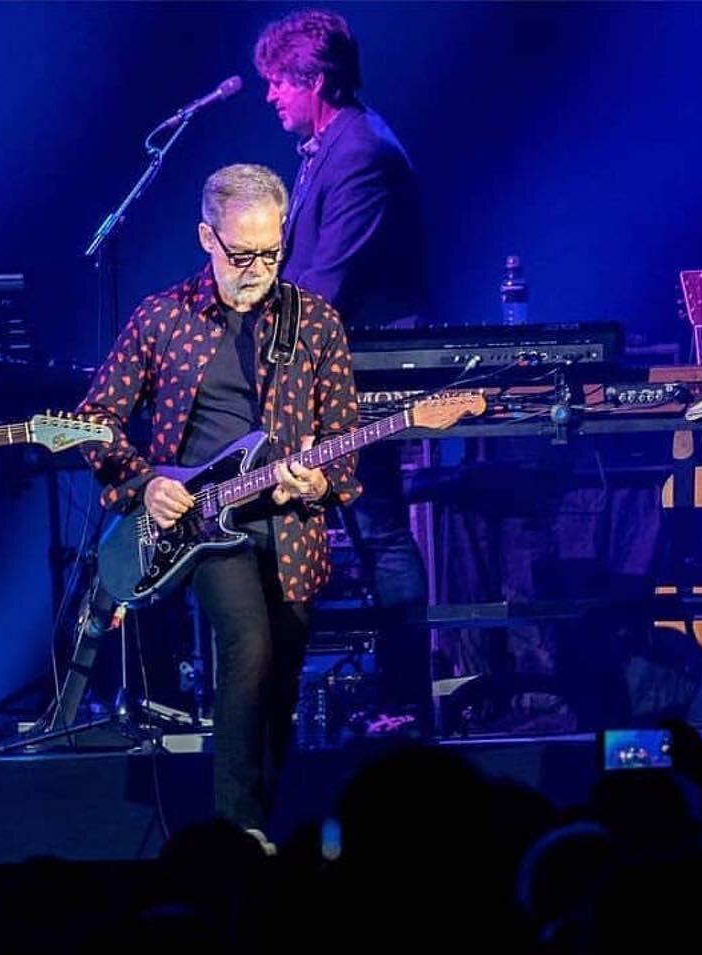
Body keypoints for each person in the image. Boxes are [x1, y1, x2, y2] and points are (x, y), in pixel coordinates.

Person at [78, 164, 361, 846]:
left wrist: (318, 483)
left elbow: (344, 443)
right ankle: (238, 829)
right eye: (242, 254)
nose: (258, 268)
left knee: (285, 673)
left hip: (288, 526)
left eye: (272, 252)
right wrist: (147, 481)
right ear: (207, 237)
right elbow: (97, 419)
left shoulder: (314, 322)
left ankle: (272, 818)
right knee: (249, 644)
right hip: (202, 526)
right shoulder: (163, 318)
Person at [255, 9, 432, 731]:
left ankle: (404, 700)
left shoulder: (361, 152)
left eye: (278, 83)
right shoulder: (330, 147)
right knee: (365, 528)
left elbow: (327, 279)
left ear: (315, 80)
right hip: (336, 363)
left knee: (381, 527)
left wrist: (250, 332)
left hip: (366, 367)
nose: (271, 97)